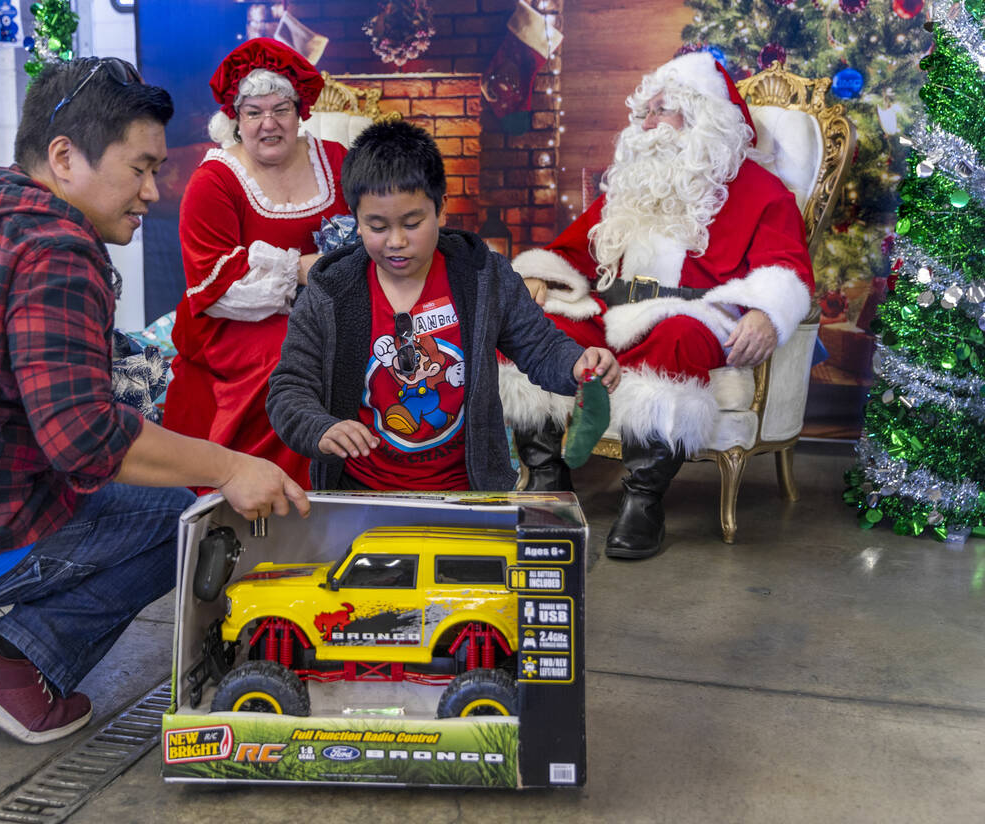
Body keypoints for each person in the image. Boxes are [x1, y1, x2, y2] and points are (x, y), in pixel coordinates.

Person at [0, 57, 309, 745]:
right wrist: (229, 468)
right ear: (65, 156)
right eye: (139, 168)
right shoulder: (57, 250)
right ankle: (20, 661)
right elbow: (86, 439)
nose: (153, 192)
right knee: (189, 515)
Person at [500, 52, 813, 560]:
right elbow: (572, 248)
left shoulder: (761, 192)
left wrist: (765, 312)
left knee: (676, 337)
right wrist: (538, 275)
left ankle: (642, 501)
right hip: (612, 310)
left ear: (701, 119)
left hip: (695, 316)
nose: (646, 124)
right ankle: (547, 477)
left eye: (660, 111)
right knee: (536, 326)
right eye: (644, 112)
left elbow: (786, 268)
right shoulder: (629, 186)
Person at [266, 120, 619, 491]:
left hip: (467, 491)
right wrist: (320, 428)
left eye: (413, 222)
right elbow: (290, 388)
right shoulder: (331, 292)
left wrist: (578, 363)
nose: (397, 241)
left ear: (441, 210)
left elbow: (540, 346)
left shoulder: (482, 275)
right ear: (356, 221)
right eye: (377, 226)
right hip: (361, 491)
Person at [163, 38, 350, 489]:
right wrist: (302, 270)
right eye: (254, 112)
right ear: (235, 118)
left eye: (280, 109)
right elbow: (217, 284)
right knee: (290, 359)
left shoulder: (338, 160)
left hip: (338, 306)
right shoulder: (215, 181)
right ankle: (276, 489)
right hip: (238, 321)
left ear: (300, 110)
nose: (269, 124)